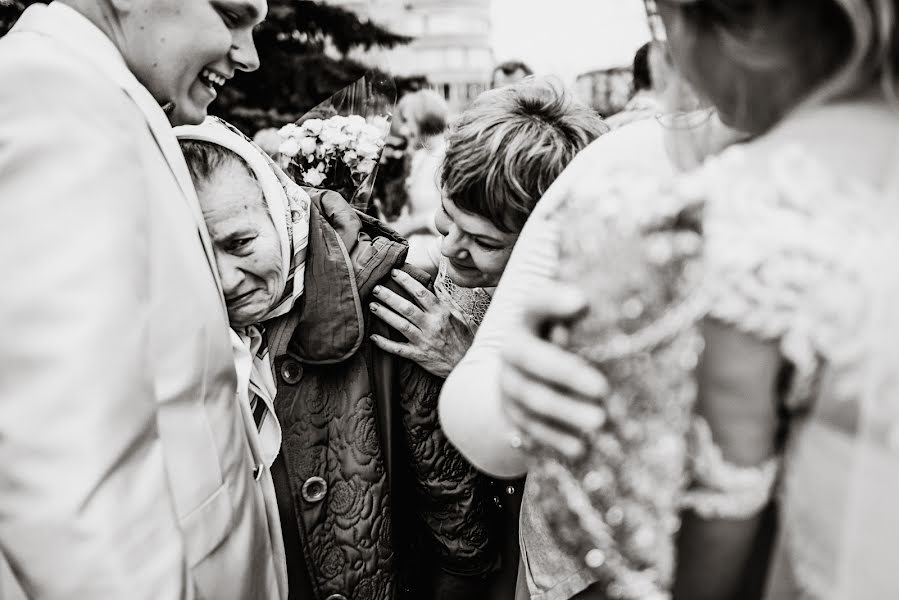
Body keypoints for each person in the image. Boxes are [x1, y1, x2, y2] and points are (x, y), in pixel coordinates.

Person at [444, 0, 899, 598]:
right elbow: (479, 407)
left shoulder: (739, 219)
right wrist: (518, 400)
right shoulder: (629, 166)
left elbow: (719, 516)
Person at [0, 1, 289, 599]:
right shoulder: (51, 100)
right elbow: (71, 482)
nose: (250, 55)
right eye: (233, 14)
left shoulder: (101, 97)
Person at [175, 117, 500, 600]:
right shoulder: (163, 335)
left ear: (282, 214)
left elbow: (454, 514)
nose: (225, 279)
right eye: (197, 250)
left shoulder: (383, 305)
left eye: (240, 243)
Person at [366, 78, 609, 600]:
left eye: (482, 241)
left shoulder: (586, 318)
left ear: (549, 241)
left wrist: (464, 359)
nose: (452, 247)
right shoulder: (462, 263)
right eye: (448, 216)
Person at [390, 89, 450, 267]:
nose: (404, 129)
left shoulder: (446, 157)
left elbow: (454, 215)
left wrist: (414, 224)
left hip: (436, 254)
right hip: (413, 247)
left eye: (408, 121)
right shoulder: (420, 156)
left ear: (424, 119)